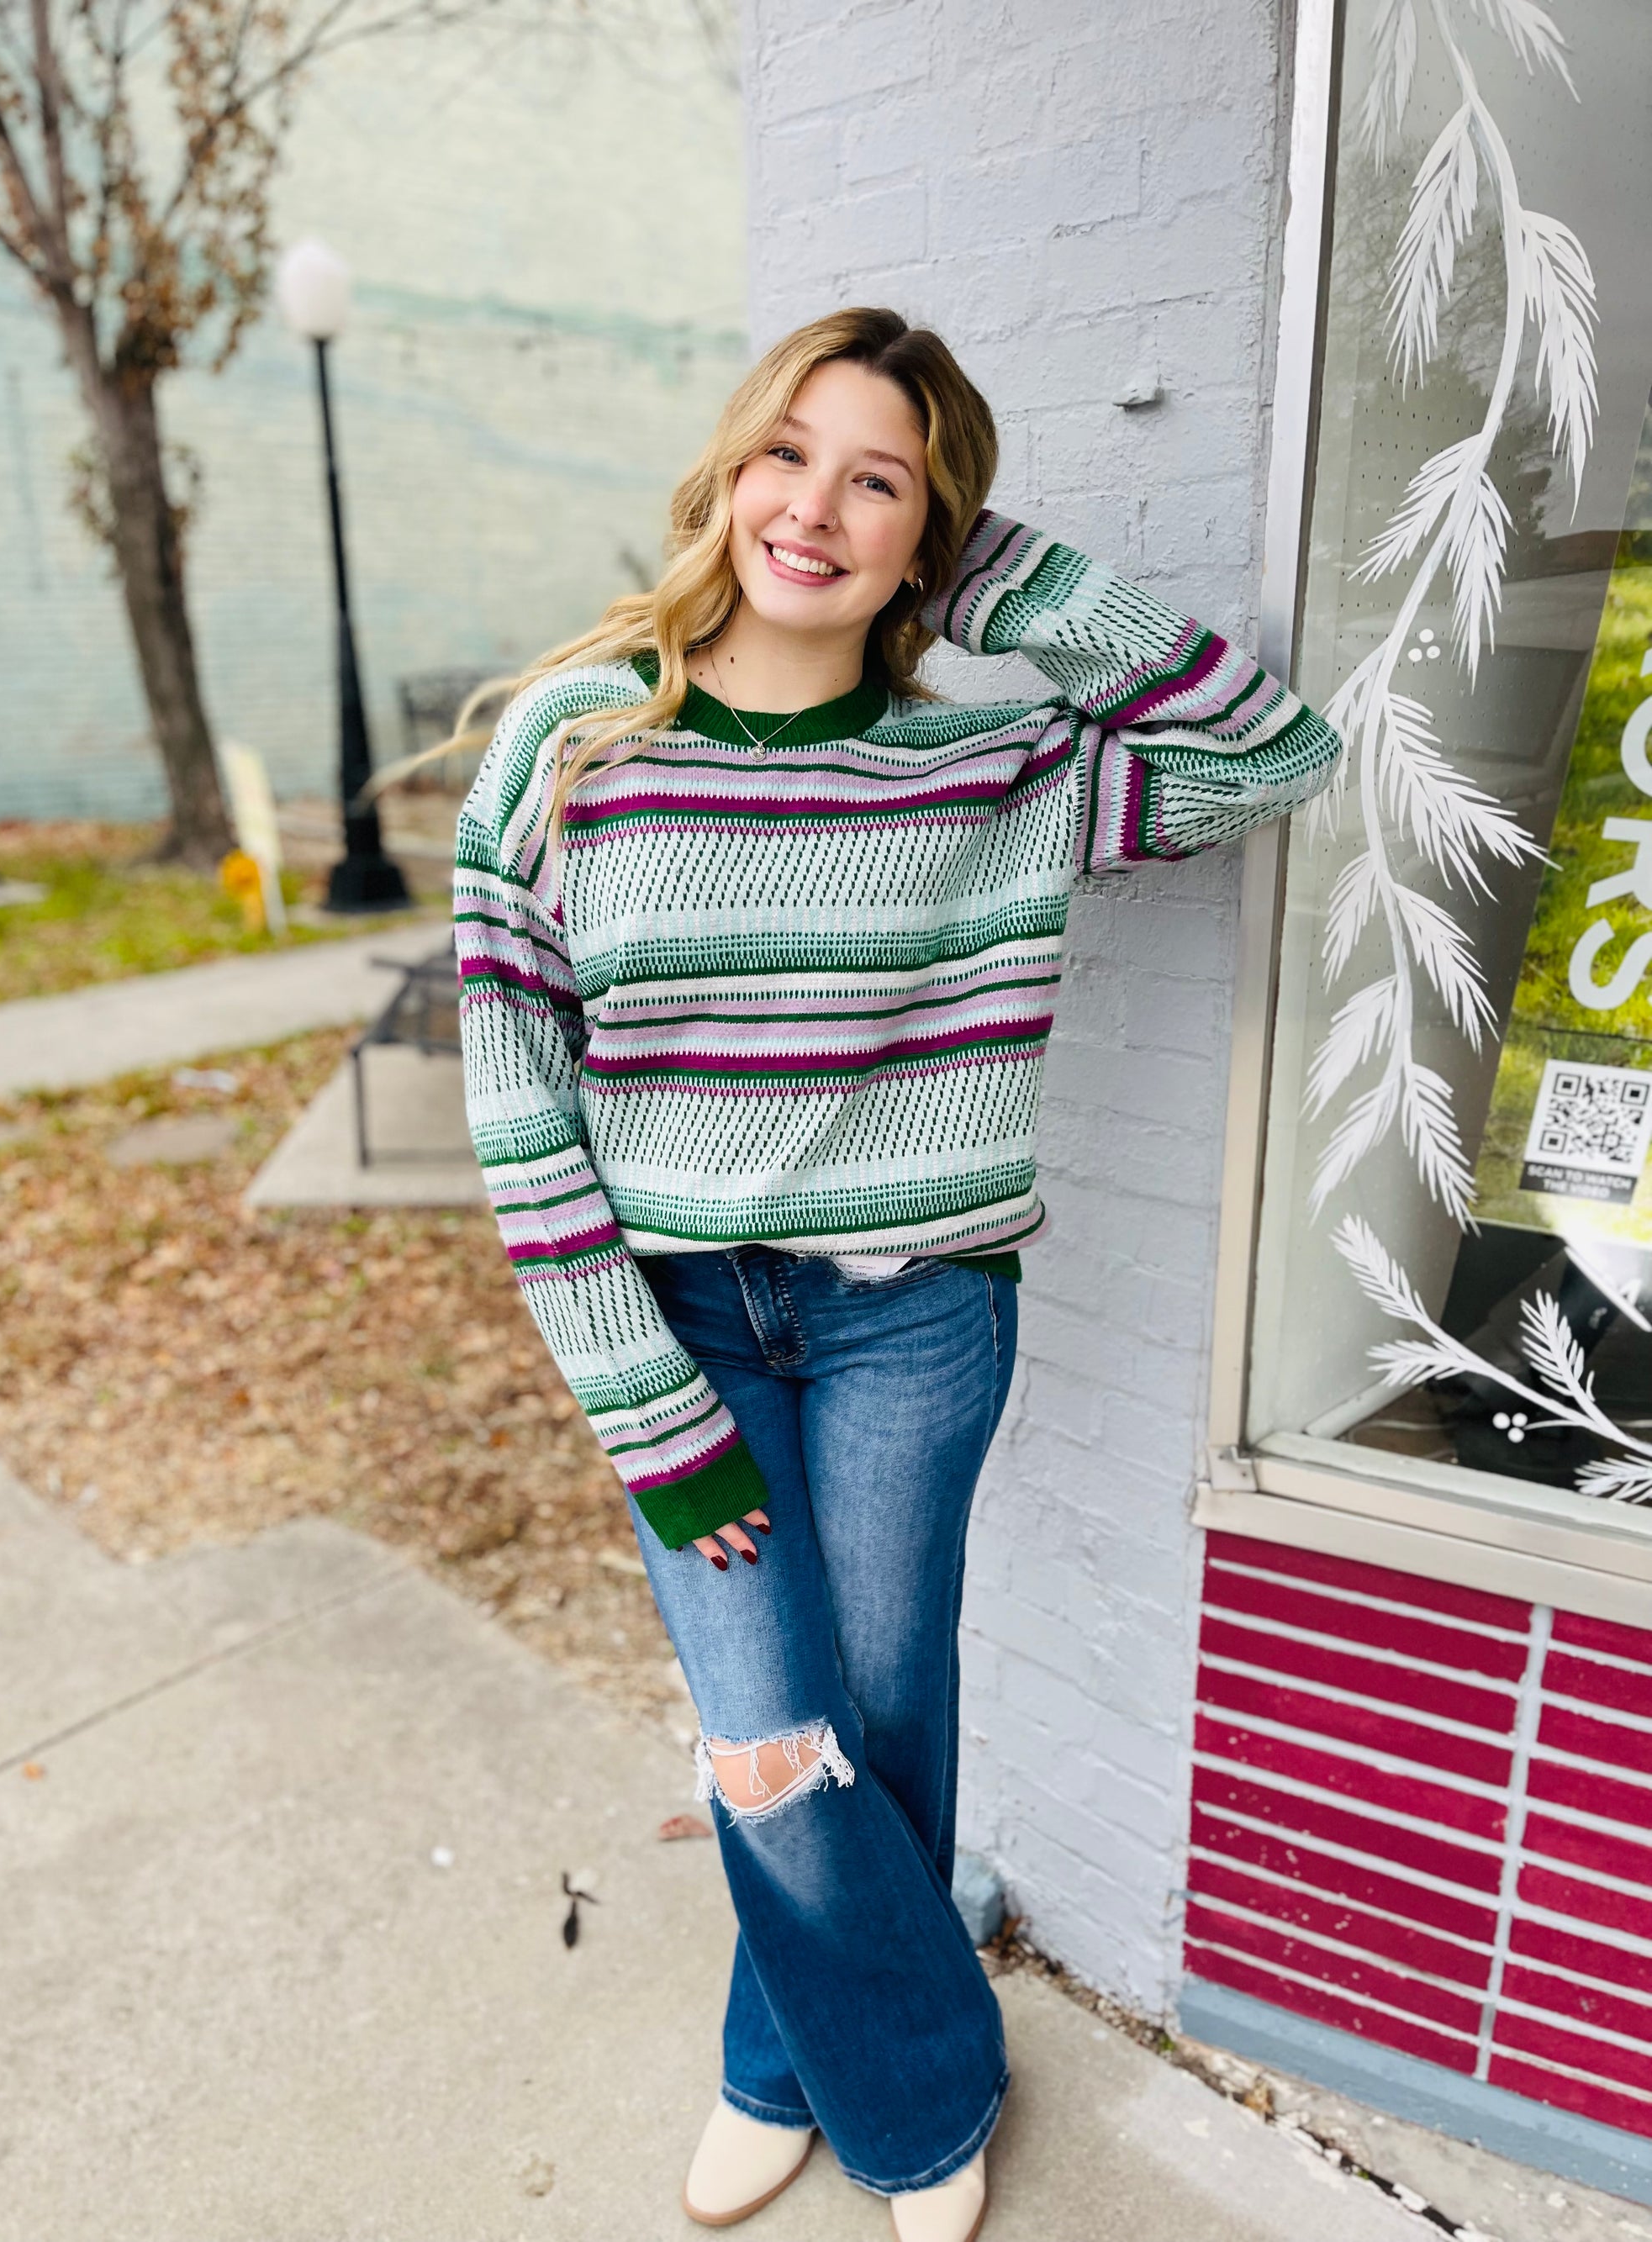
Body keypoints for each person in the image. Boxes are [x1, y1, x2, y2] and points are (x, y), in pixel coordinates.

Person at [453, 306, 1341, 2240]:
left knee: (884, 1709)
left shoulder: (992, 761)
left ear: (928, 534)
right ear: (724, 471)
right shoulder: (577, 742)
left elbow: (1273, 753)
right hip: (678, 1316)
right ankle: (926, 2094)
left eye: (883, 479)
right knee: (772, 1750)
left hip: (913, 1315)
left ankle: (781, 2061)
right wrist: (636, 1396)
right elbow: (518, 1107)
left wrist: (1008, 569)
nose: (817, 506)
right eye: (789, 451)